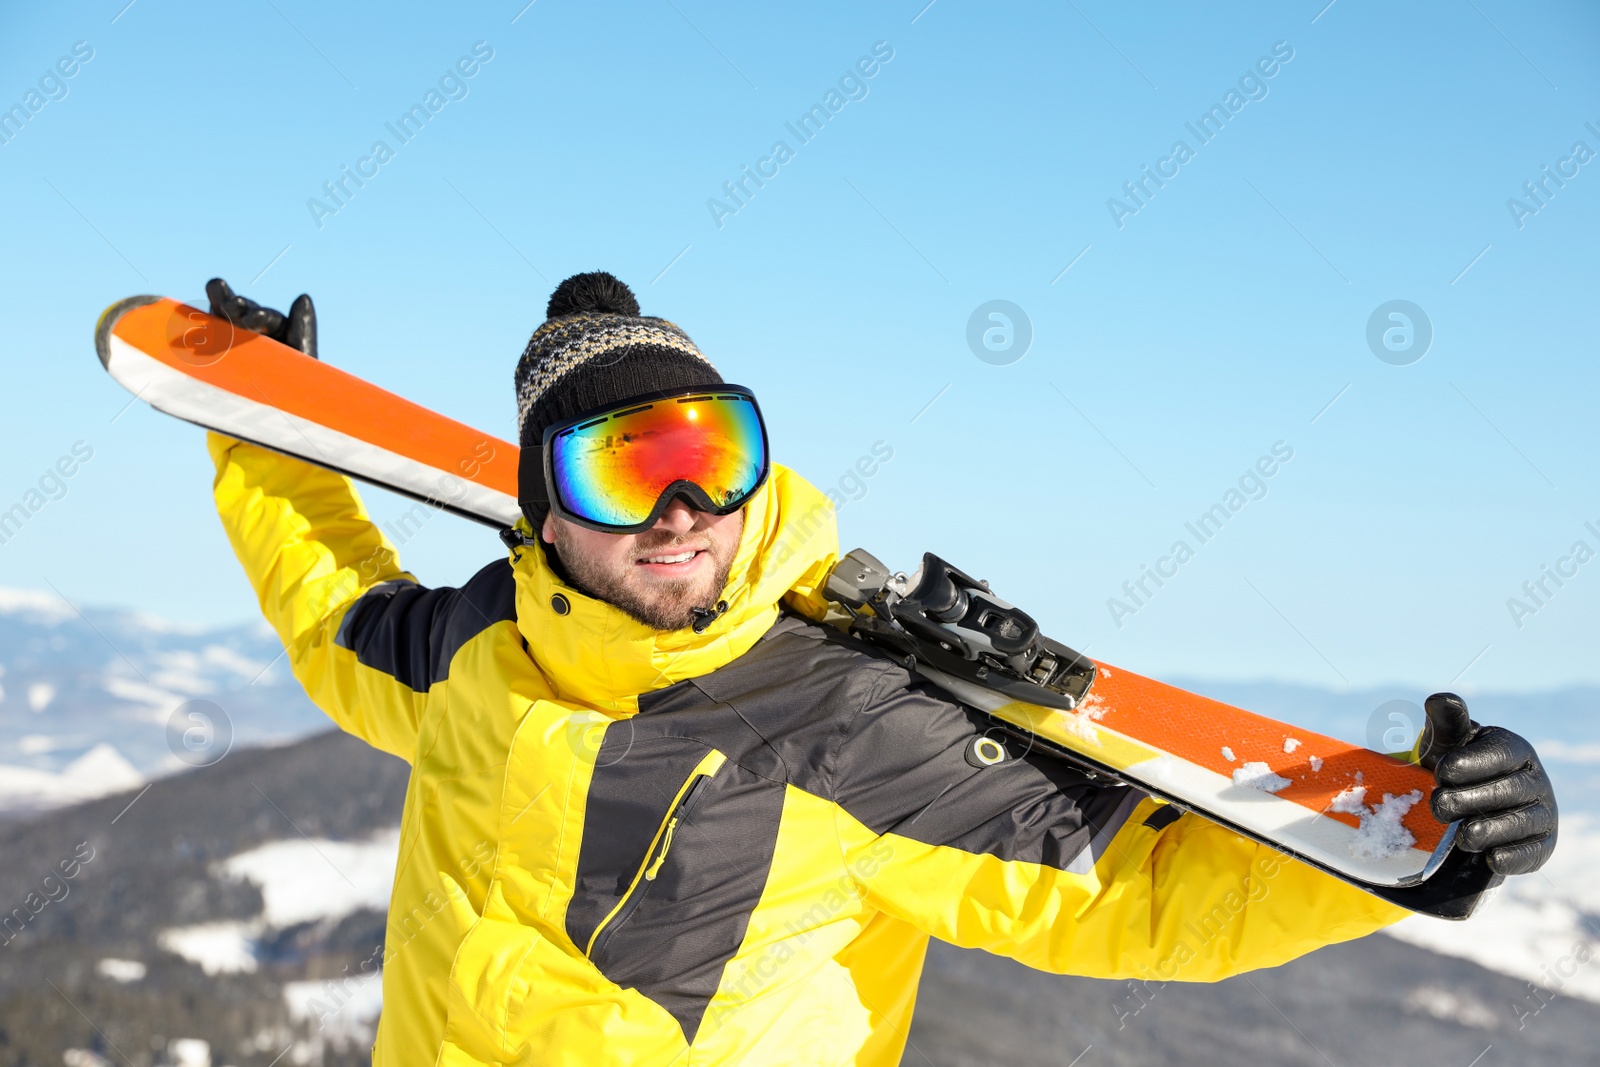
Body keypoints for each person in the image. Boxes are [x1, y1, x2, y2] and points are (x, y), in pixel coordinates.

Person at [204, 271, 1557, 1066]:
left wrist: (1437, 842)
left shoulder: (848, 725)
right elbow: (335, 613)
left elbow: (1134, 895)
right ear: (539, 511)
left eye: (708, 457)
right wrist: (261, 440)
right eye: (619, 470)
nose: (679, 511)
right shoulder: (477, 646)